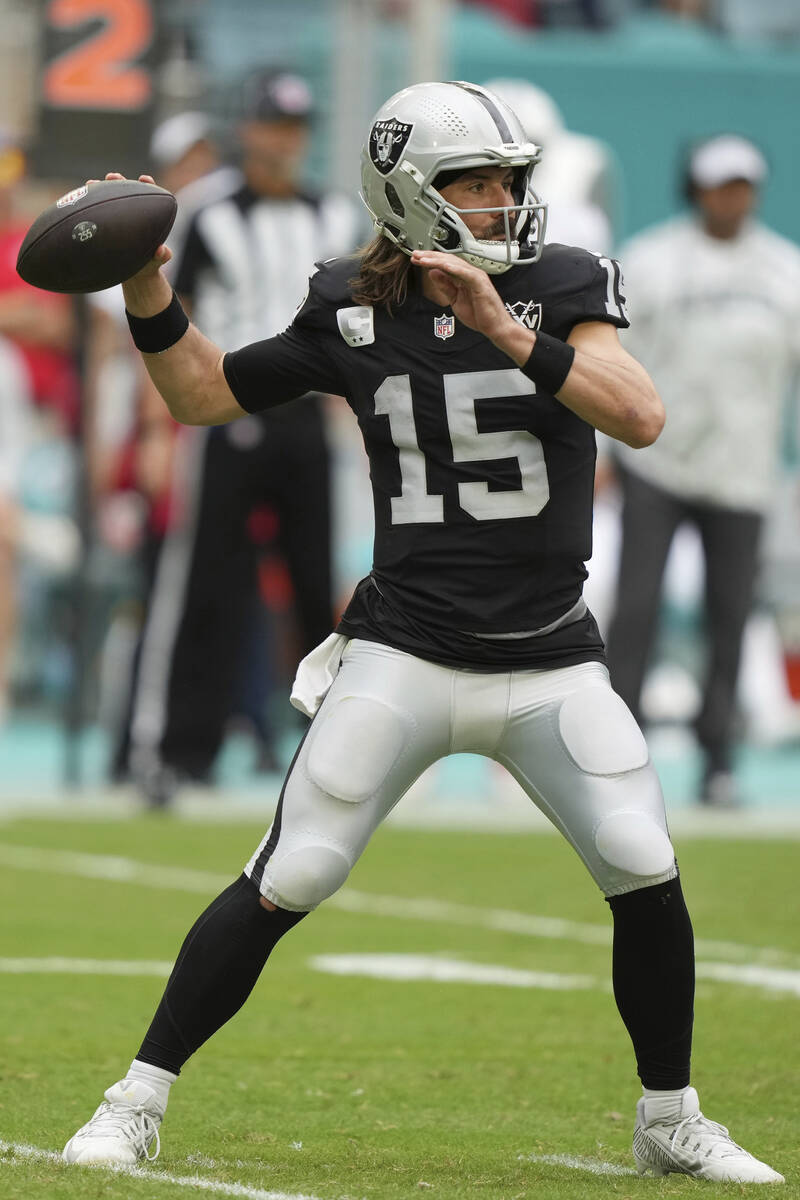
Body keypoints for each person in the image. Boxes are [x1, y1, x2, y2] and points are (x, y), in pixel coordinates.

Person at [62, 83, 782, 1184]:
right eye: (475, 183)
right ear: (409, 195)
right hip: (403, 648)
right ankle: (133, 1100)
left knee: (642, 860)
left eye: (508, 180)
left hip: (547, 650)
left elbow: (638, 414)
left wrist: (500, 325)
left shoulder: (560, 283)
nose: (501, 202)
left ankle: (667, 1116)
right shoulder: (348, 301)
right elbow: (203, 396)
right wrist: (149, 287)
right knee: (292, 869)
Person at [123, 71, 360, 803]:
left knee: (320, 585)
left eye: (296, 127)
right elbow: (169, 317)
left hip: (309, 419)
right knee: (203, 586)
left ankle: (331, 756)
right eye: (273, 125)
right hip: (221, 413)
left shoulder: (337, 218)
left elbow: (360, 329)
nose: (285, 140)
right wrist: (157, 431)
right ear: (249, 130)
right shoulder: (206, 211)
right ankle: (172, 750)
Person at [603, 133, 800, 808]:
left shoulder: (786, 271)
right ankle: (617, 755)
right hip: (655, 464)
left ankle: (719, 759)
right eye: (720, 184)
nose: (732, 197)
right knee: (637, 610)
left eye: (743, 185)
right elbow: (609, 361)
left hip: (745, 472)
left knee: (731, 615)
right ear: (696, 188)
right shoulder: (651, 260)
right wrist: (604, 452)